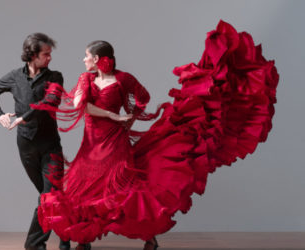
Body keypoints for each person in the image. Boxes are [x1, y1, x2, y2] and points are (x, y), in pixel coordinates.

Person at [35, 21, 278, 250]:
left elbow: (143, 97)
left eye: (87, 56)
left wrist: (130, 117)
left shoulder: (123, 79)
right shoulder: (85, 78)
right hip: (91, 145)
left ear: (97, 59)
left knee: (125, 193)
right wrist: (114, 116)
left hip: (115, 144)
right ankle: (84, 239)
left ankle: (149, 238)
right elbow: (81, 105)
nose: (83, 59)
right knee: (84, 189)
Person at [0, 33, 70, 250]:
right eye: (46, 54)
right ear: (32, 55)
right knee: (51, 197)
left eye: (50, 54)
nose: (50, 57)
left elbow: (51, 100)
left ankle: (34, 244)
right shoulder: (15, 76)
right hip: (26, 146)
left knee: (50, 196)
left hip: (50, 146)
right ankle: (69, 237)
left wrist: (24, 116)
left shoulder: (55, 77)